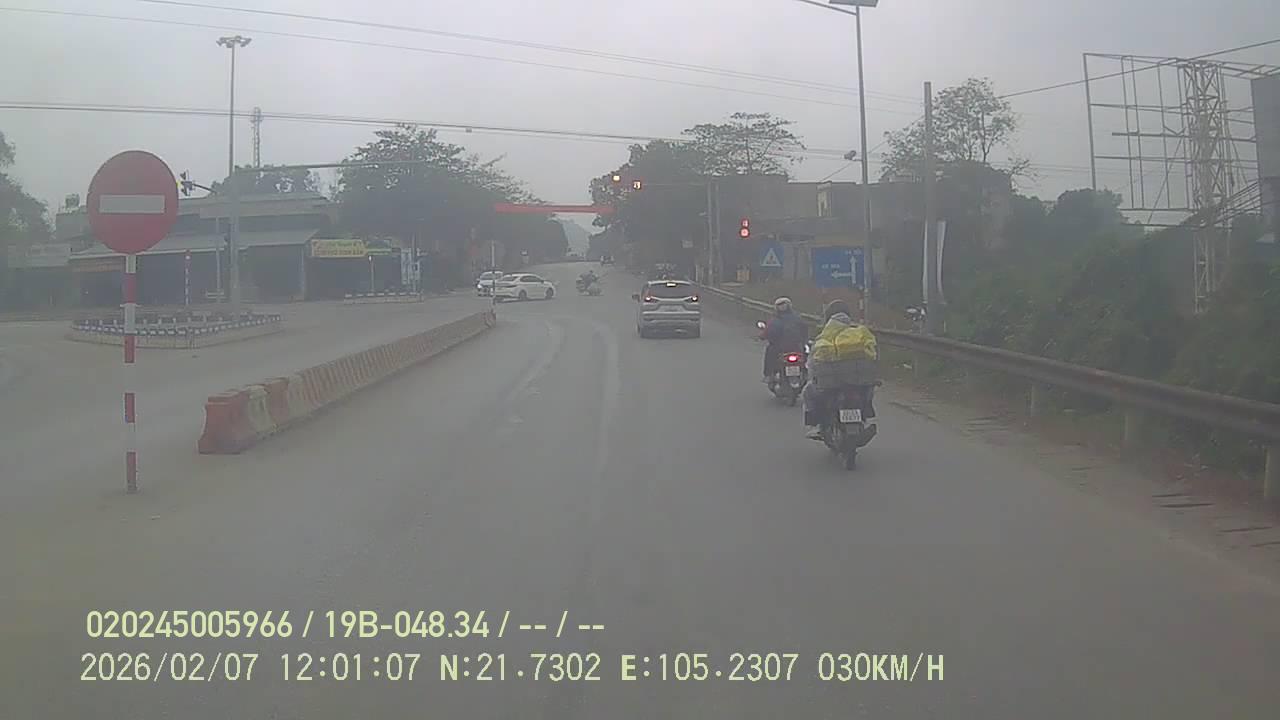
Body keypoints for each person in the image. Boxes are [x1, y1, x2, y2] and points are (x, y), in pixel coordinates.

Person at [803, 299, 877, 439]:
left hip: (832, 383)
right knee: (868, 390)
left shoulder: (825, 335)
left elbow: (813, 361)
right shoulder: (859, 332)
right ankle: (866, 416)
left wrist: (813, 375)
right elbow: (872, 355)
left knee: (809, 392)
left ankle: (815, 425)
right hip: (858, 381)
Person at [761, 297, 809, 383]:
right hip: (796, 346)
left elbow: (769, 332)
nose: (782, 307)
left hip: (782, 347)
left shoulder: (775, 320)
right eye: (780, 305)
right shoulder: (797, 317)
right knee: (806, 353)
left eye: (783, 305)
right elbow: (805, 330)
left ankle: (769, 375)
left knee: (770, 351)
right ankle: (806, 373)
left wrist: (762, 336)